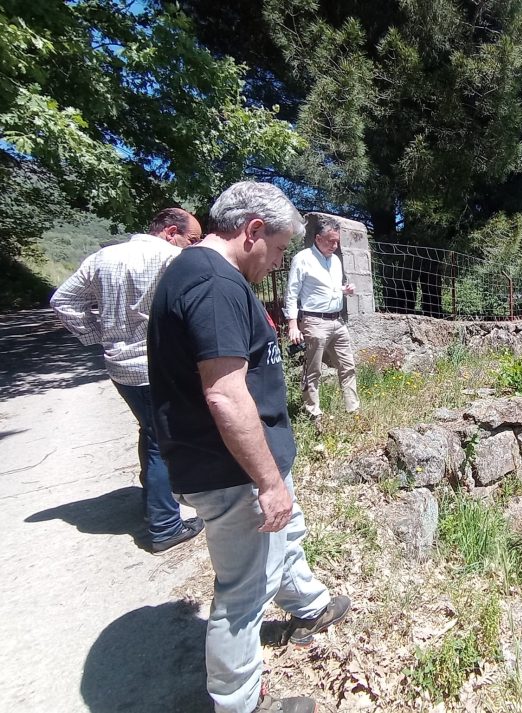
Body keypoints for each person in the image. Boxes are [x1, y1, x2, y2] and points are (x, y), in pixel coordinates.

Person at [148, 182, 351, 713]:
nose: (281, 261)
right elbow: (224, 393)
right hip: (233, 469)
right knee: (243, 591)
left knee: (285, 538)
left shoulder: (204, 274)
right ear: (253, 231)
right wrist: (266, 481)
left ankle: (308, 605)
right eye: (281, 249)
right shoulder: (214, 284)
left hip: (240, 462)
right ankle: (238, 702)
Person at [50, 207, 205, 553]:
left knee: (150, 431)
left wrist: (97, 335)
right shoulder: (172, 259)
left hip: (120, 367)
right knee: (161, 442)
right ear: (169, 231)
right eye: (190, 239)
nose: (190, 246)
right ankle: (165, 525)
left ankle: (154, 501)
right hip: (158, 366)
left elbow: (63, 301)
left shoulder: (103, 257)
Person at [284, 215, 360, 425]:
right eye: (330, 241)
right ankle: (313, 413)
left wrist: (345, 290)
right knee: (313, 369)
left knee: (348, 365)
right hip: (314, 322)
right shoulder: (302, 258)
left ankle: (353, 410)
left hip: (337, 321)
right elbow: (292, 293)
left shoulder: (335, 261)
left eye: (337, 242)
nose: (335, 246)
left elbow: (331, 288)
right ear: (318, 238)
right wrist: (292, 325)